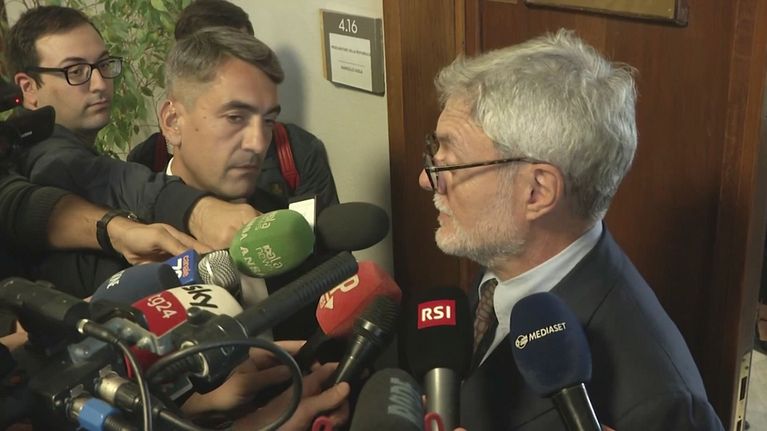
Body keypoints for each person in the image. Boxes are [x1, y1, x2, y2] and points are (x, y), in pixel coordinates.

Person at [417, 29, 724, 430]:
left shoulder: (658, 399)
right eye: (433, 152)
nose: (426, 180)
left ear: (536, 192)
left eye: (450, 163)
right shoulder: (505, 261)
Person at [5, 5, 261, 296]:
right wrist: (198, 211)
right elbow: (102, 177)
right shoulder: (42, 157)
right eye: (76, 71)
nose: (100, 84)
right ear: (28, 88)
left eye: (104, 64)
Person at [128, 0, 340, 212]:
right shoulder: (136, 187)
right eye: (235, 117)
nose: (257, 143)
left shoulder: (296, 159)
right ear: (172, 121)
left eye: (268, 120)